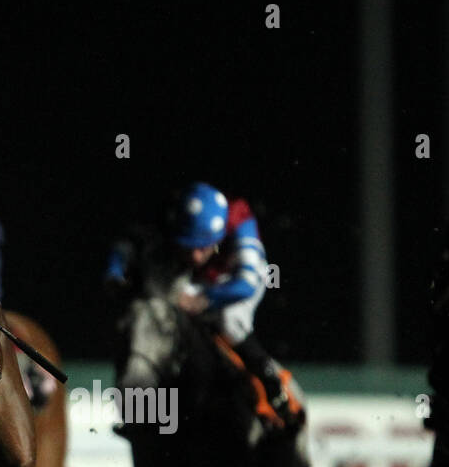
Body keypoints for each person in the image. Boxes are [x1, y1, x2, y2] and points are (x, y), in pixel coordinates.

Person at [105, 182, 302, 428]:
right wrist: (115, 273)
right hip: (189, 277)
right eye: (189, 246)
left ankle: (274, 387)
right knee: (147, 314)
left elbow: (247, 283)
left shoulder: (240, 221)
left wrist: (208, 298)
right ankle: (137, 403)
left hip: (233, 279)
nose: (196, 256)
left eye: (202, 247)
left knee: (230, 320)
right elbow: (125, 244)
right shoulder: (169, 215)